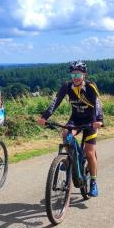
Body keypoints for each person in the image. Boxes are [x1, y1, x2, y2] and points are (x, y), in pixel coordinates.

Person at [38, 60, 103, 197]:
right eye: (73, 75)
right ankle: (70, 160)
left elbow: (97, 103)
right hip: (76, 119)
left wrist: (99, 120)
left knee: (89, 152)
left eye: (78, 74)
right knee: (65, 133)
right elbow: (55, 102)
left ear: (84, 74)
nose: (76, 78)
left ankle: (93, 182)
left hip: (91, 122)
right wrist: (45, 117)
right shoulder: (67, 87)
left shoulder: (90, 86)